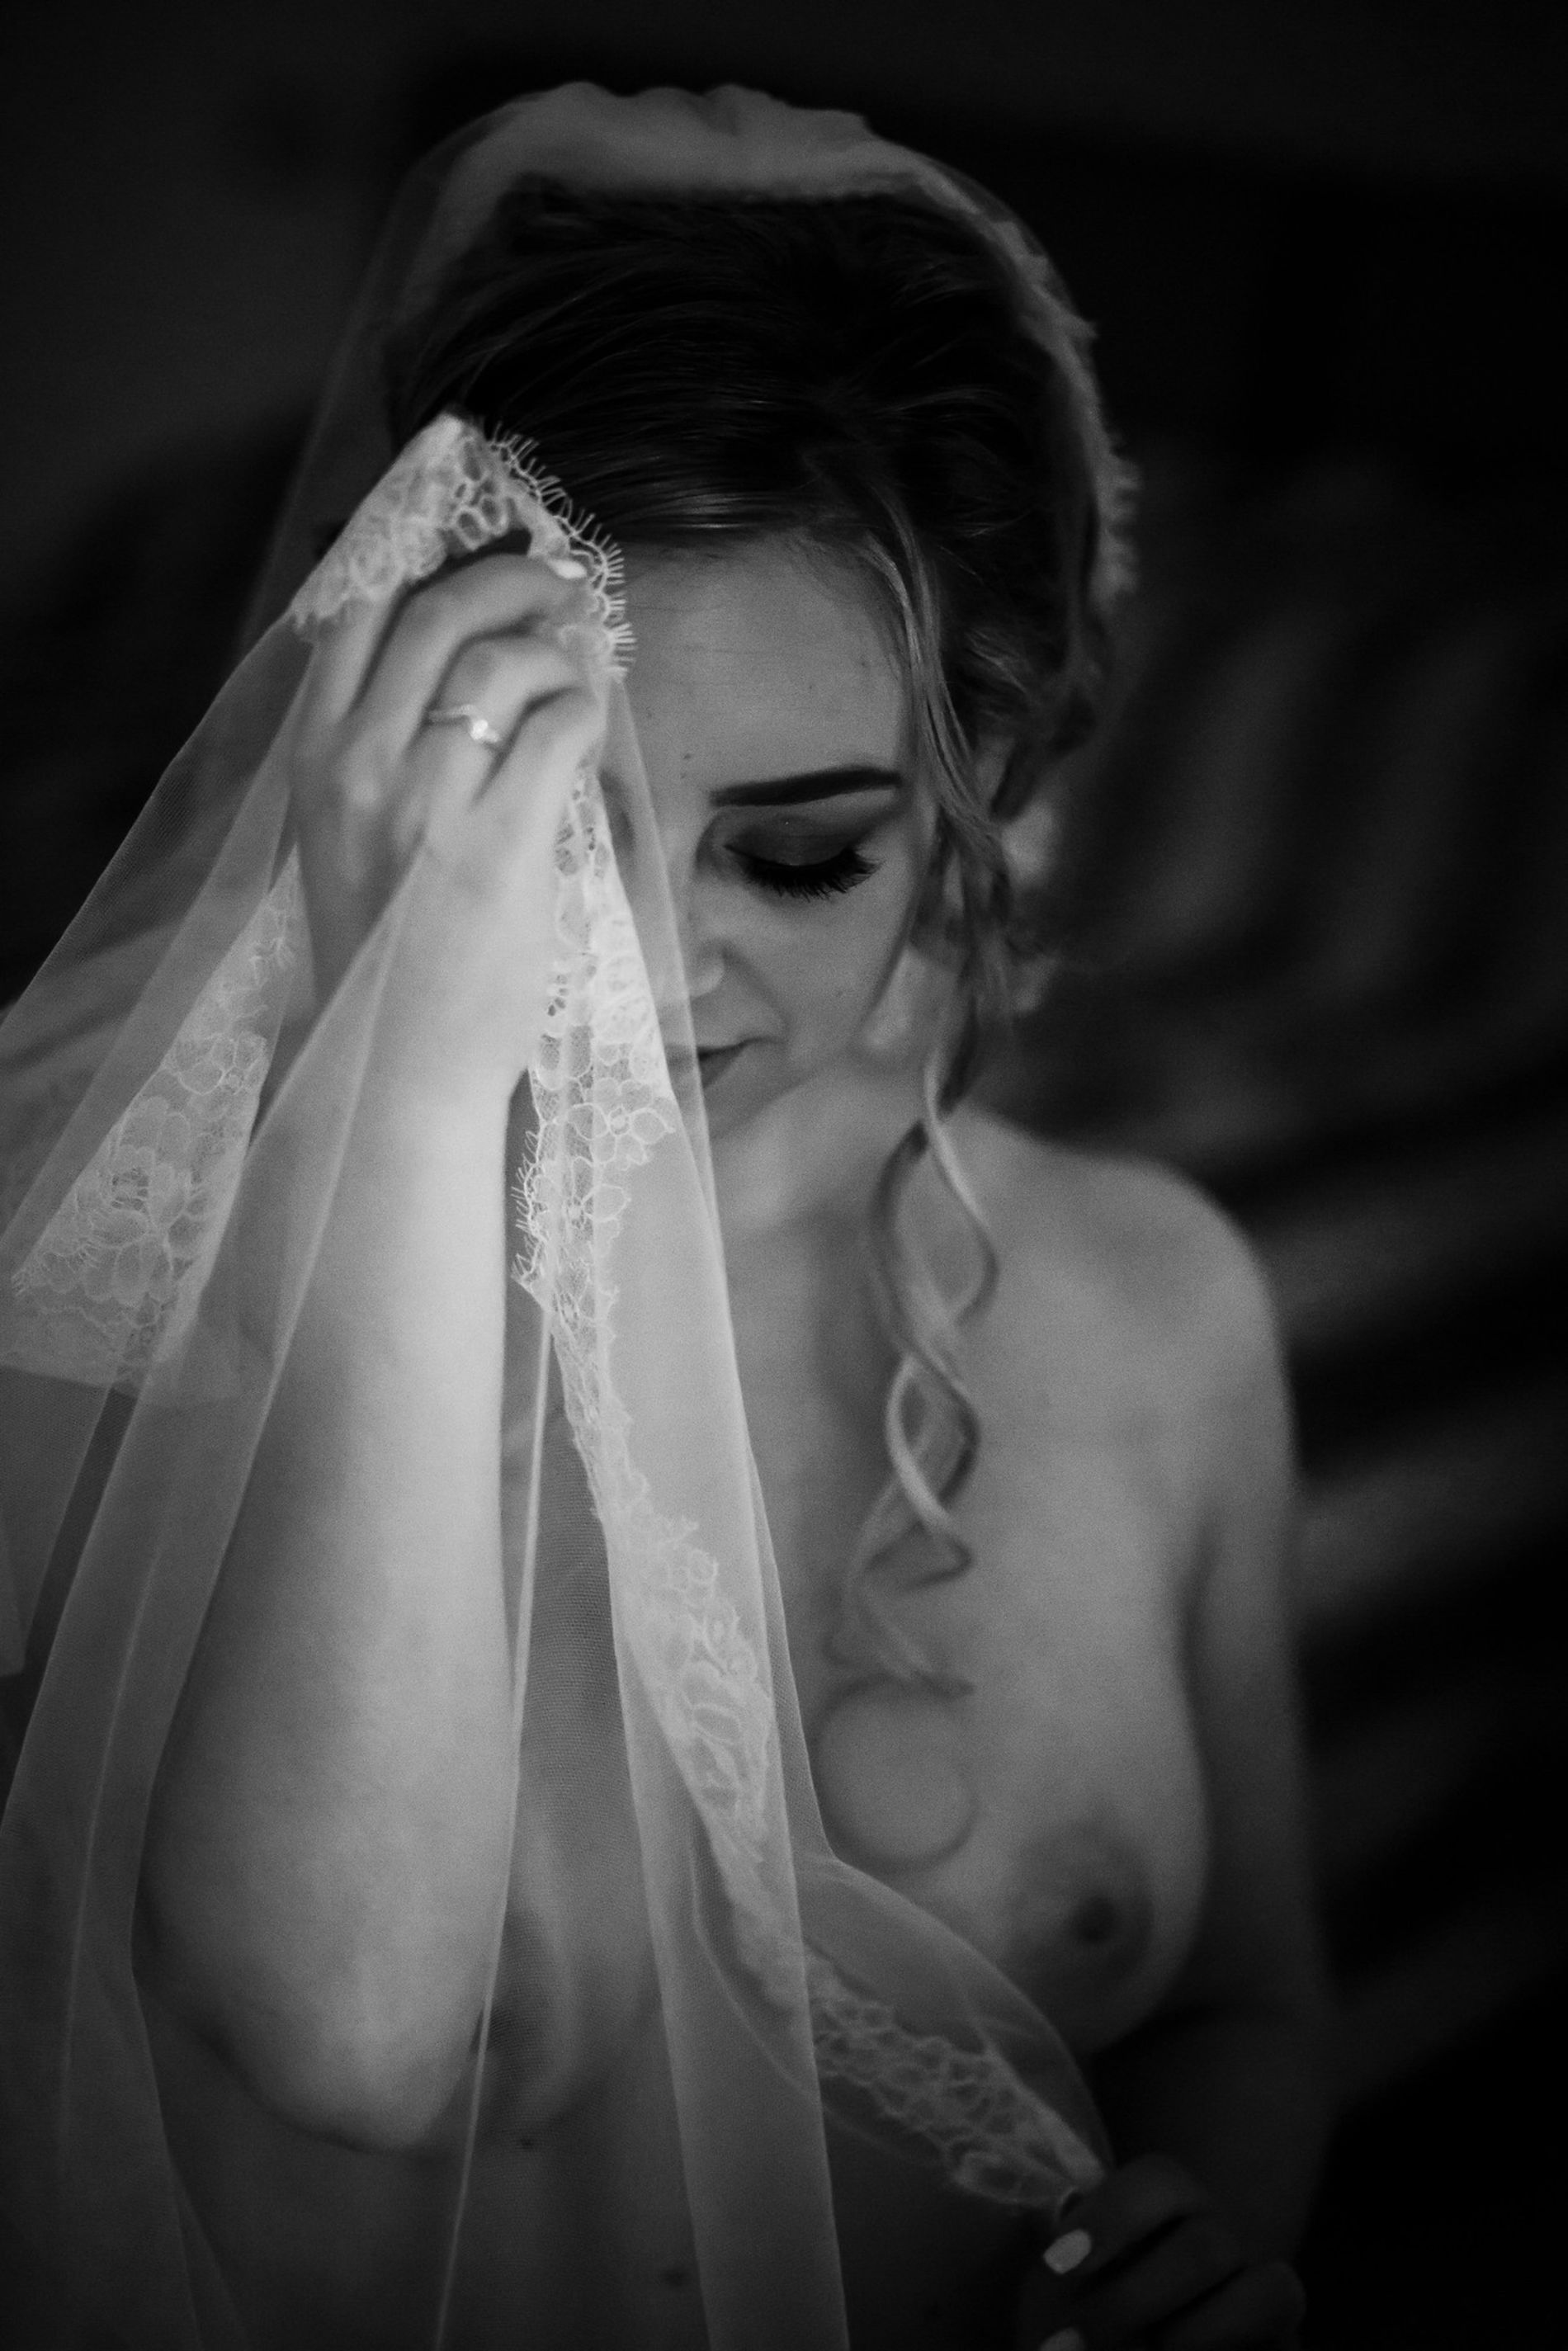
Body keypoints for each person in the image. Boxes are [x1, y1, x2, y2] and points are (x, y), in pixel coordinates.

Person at [0, 83, 1329, 2351]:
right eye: (553, 823)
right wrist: (418, 1076)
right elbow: (353, 2030)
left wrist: (1221, 2233)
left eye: (796, 854)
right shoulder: (106, 1282)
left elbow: (1233, 2003)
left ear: (986, 786)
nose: (643, 968)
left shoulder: (1158, 1299)